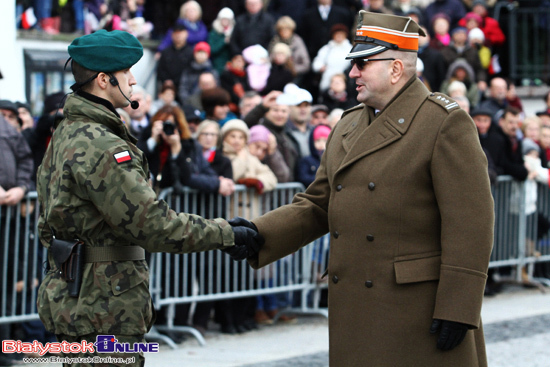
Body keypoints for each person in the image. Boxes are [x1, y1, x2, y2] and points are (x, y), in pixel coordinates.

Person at [228, 11, 494, 366]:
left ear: (395, 68)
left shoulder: (443, 123)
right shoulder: (349, 124)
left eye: (362, 63)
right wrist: (261, 233)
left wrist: (459, 306)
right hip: (357, 305)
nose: (351, 72)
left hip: (416, 311)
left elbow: (471, 223)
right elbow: (319, 203)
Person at [35, 30, 262, 367]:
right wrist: (225, 233)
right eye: (125, 72)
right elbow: (153, 225)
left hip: (79, 294)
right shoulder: (101, 144)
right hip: (103, 304)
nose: (132, 79)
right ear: (102, 80)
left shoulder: (69, 132)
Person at [208, 7, 236, 75]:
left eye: (227, 20)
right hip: (217, 63)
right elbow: (212, 50)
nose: (225, 21)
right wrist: (223, 42)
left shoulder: (234, 32)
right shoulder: (214, 33)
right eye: (224, 19)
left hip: (231, 63)